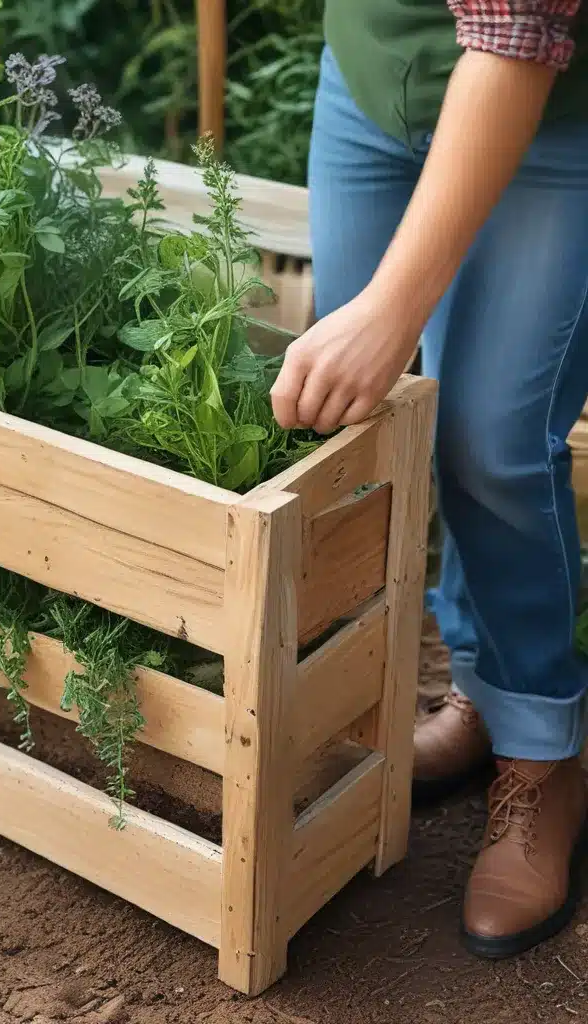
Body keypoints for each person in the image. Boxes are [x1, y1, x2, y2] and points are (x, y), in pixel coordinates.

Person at [270, 1, 588, 958]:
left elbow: (513, 38)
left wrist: (391, 310)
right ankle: (483, 695)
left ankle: (546, 756)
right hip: (374, 85)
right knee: (380, 432)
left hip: (551, 105)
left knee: (490, 440)